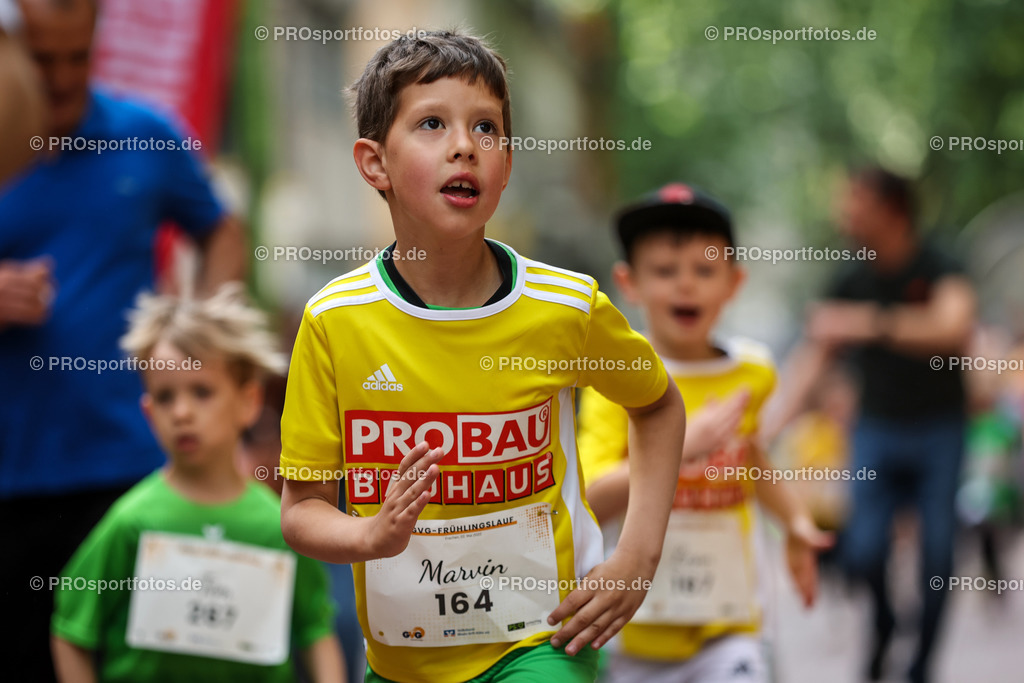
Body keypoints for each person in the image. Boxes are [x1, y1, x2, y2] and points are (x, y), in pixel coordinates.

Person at [278, 30, 686, 683]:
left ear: (507, 163)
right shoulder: (334, 320)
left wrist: (636, 555)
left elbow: (659, 406)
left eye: (486, 128)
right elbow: (301, 509)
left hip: (542, 642)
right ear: (374, 162)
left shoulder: (566, 307)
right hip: (401, 658)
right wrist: (367, 536)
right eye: (432, 123)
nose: (465, 144)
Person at [0, 0, 245, 677]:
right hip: (12, 480)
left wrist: (202, 327)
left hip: (131, 469)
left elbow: (221, 230)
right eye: (42, 60)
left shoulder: (143, 136)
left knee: (146, 665)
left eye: (78, 57)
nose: (61, 78)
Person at [577, 183, 831, 683]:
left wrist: (796, 522)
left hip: (730, 624)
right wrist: (679, 447)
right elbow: (589, 494)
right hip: (632, 630)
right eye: (665, 271)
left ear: (734, 282)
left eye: (705, 270)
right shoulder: (615, 378)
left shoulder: (753, 372)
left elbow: (753, 461)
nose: (685, 285)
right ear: (629, 282)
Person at [51, 284, 345, 682]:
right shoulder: (130, 521)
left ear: (249, 401)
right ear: (148, 412)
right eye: (166, 396)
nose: (183, 413)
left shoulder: (282, 525)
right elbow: (71, 629)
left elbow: (316, 631)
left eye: (202, 392)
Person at [767, 167, 976, 683]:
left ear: (891, 209)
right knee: (861, 550)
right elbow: (813, 355)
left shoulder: (939, 262)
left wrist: (869, 323)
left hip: (940, 430)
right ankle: (882, 624)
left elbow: (953, 326)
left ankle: (921, 665)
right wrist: (764, 429)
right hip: (877, 431)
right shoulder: (849, 276)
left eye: (854, 202)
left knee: (938, 553)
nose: (844, 214)